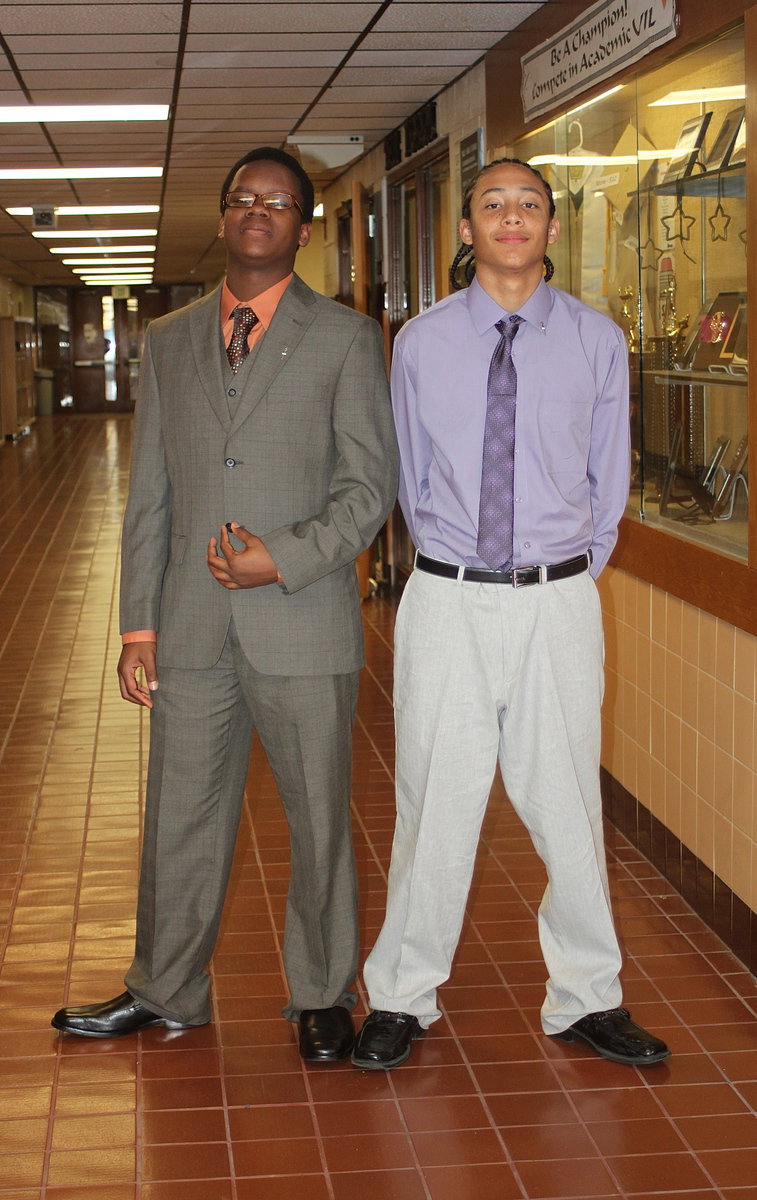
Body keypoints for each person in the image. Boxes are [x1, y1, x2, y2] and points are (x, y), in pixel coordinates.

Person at [52, 147, 399, 1064]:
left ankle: (323, 993)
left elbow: (369, 491)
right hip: (194, 630)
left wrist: (276, 560)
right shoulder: (168, 341)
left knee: (320, 816)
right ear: (222, 217)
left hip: (303, 620)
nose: (259, 212)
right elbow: (153, 497)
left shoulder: (346, 339)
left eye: (279, 203)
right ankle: (165, 987)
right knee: (179, 813)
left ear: (303, 226)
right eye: (245, 198)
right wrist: (138, 626)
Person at [351, 158, 670, 1071]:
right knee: (432, 802)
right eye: (492, 204)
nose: (511, 217)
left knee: (565, 801)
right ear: (466, 230)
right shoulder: (419, 342)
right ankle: (404, 996)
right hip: (447, 598)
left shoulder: (595, 340)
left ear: (551, 230)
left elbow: (606, 485)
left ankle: (585, 997)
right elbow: (409, 475)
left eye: (529, 205)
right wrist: (453, 566)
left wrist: (562, 575)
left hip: (557, 601)